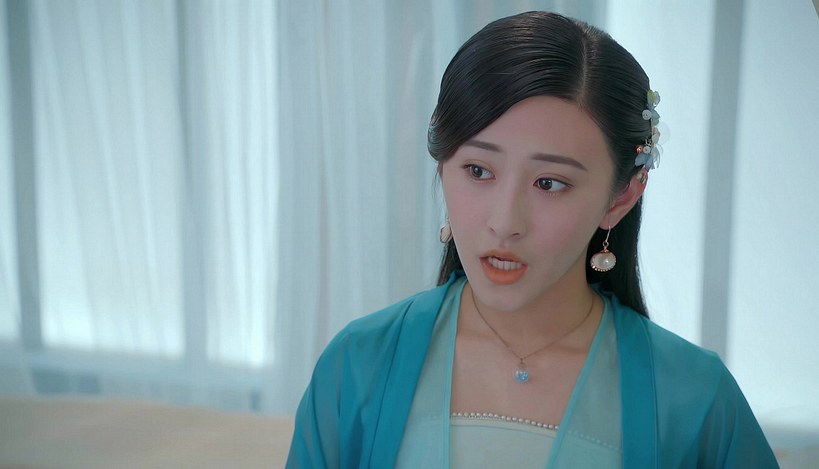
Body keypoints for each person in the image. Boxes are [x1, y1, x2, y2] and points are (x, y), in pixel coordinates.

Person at [286, 11, 778, 468]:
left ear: (622, 195)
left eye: (549, 183)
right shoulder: (358, 366)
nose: (505, 223)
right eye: (478, 170)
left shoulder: (696, 399)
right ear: (443, 165)